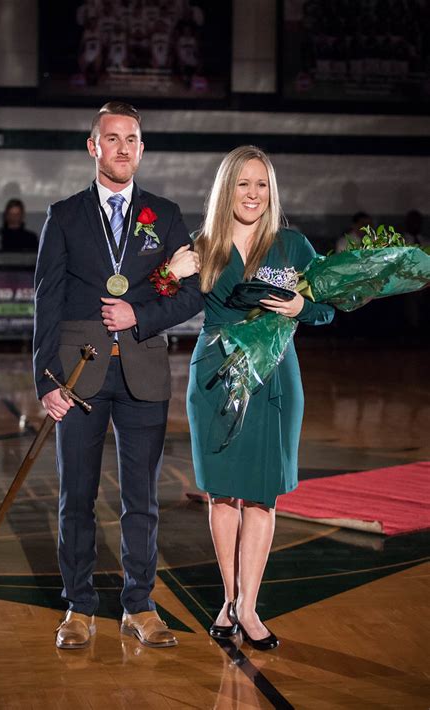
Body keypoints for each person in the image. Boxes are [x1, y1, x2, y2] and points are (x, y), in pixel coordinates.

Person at [33, 101, 202, 650]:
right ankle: (78, 607)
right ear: (93, 146)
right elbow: (46, 301)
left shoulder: (165, 214)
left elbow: (190, 292)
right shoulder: (63, 215)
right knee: (76, 497)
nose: (123, 148)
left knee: (141, 499)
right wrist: (45, 381)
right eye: (112, 138)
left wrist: (141, 314)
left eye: (132, 139)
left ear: (142, 148)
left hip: (143, 372)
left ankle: (139, 604)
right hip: (78, 374)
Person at [186, 146, 334, 649]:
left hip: (272, 376)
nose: (252, 194)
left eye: (262, 184)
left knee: (261, 495)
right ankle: (229, 601)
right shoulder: (202, 245)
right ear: (227, 188)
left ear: (272, 191)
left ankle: (249, 607)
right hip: (215, 374)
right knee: (223, 492)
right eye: (243, 184)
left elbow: (327, 309)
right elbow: (164, 298)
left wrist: (300, 304)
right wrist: (168, 274)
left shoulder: (292, 246)